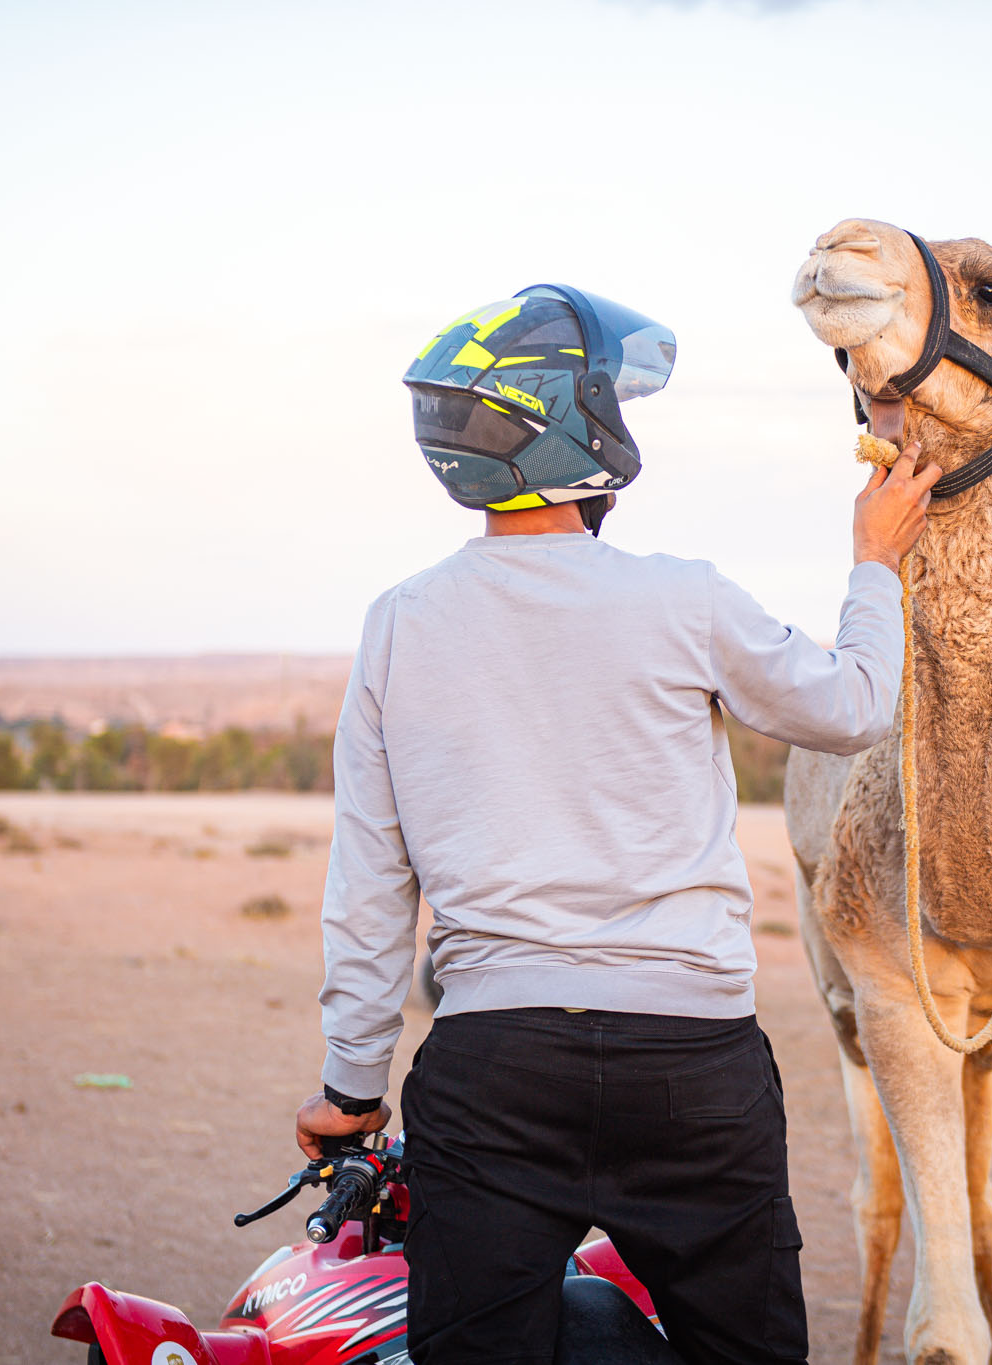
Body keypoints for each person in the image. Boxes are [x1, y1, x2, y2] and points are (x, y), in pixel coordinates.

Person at [292, 284, 939, 1365]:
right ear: (582, 425)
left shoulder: (399, 625)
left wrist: (350, 1091)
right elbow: (853, 706)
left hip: (492, 1071)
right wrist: (875, 567)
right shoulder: (681, 599)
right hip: (692, 1071)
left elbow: (369, 886)